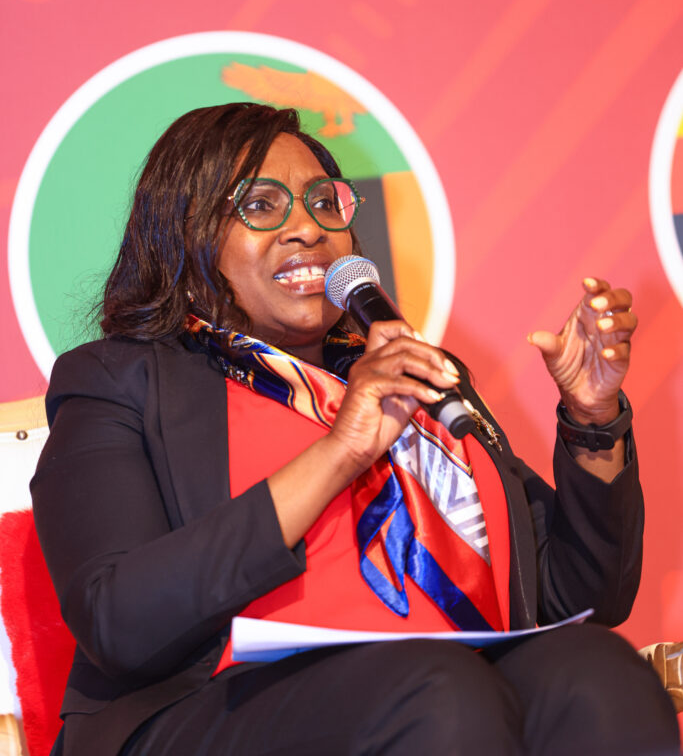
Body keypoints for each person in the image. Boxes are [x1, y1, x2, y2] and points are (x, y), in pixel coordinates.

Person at [31, 102, 679, 756]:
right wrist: (341, 449)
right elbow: (119, 621)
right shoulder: (119, 379)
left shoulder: (410, 376)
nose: (307, 229)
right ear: (187, 233)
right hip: (215, 708)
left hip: (438, 683)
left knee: (600, 675)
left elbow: (580, 592)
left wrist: (592, 419)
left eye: (324, 203)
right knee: (437, 688)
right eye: (260, 206)